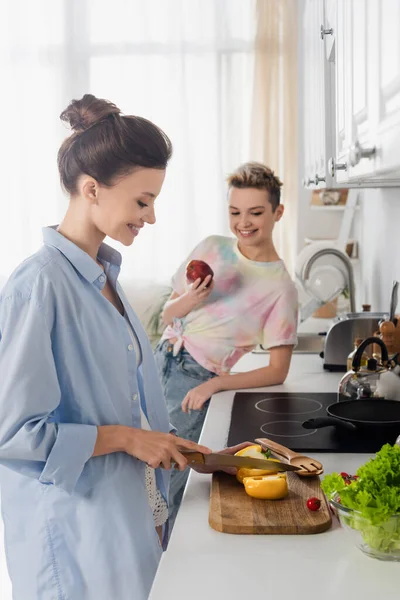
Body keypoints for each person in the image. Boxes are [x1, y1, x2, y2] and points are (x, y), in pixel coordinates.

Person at [0, 94, 214, 600]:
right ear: (91, 189)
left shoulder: (106, 278)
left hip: (125, 520)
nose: (152, 217)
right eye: (142, 201)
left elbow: (123, 404)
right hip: (74, 538)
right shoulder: (37, 288)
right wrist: (126, 439)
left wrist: (162, 444)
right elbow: (12, 432)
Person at [155, 162, 299, 526]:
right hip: (159, 360)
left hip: (195, 379)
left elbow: (277, 371)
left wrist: (214, 384)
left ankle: (166, 570)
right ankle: (142, 563)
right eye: (235, 212)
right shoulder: (212, 248)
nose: (244, 222)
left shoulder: (281, 288)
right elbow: (167, 315)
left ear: (277, 212)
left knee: (171, 479)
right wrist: (187, 301)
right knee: (138, 467)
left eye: (255, 212)